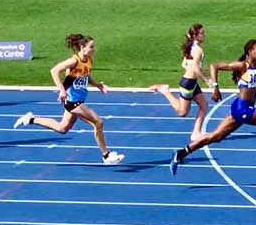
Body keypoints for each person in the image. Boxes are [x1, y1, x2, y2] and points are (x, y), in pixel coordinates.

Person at [169, 39, 256, 177]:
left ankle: (180, 154)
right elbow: (214, 66)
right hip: (242, 109)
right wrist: (215, 88)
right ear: (250, 51)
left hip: (242, 107)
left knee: (216, 136)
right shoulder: (242, 66)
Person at [13, 34, 124, 165]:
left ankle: (30, 119)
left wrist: (97, 85)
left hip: (79, 100)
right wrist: (61, 90)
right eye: (91, 47)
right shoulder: (73, 61)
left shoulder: (88, 60)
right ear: (82, 47)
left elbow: (86, 76)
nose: (94, 49)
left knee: (62, 128)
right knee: (98, 122)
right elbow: (54, 71)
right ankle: (106, 156)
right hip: (72, 101)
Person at [149, 23, 212, 142]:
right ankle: (165, 91)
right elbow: (194, 67)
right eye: (202, 33)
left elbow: (184, 64)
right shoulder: (198, 50)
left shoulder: (191, 47)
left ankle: (196, 133)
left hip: (192, 82)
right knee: (182, 112)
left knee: (204, 106)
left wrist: (196, 70)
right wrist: (206, 79)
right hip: (188, 84)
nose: (205, 35)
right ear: (195, 36)